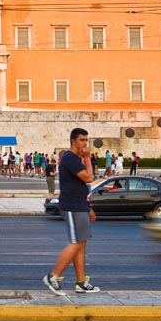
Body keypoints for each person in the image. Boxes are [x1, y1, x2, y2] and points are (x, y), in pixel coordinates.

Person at [43, 127, 100, 296]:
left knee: (81, 244)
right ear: (73, 141)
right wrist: (88, 158)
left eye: (86, 140)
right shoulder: (70, 158)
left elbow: (81, 186)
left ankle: (81, 282)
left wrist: (88, 207)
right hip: (72, 206)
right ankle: (53, 276)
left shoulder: (75, 158)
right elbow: (89, 178)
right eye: (82, 140)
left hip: (79, 205)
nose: (85, 143)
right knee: (76, 243)